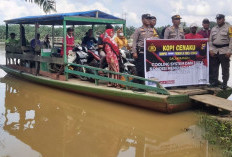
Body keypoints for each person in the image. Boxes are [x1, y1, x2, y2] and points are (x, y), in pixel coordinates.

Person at [209, 14, 232, 89]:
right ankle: (214, 82)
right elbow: (210, 41)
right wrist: (211, 50)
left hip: (224, 51)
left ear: (223, 19)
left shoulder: (229, 28)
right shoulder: (213, 28)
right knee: (214, 68)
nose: (218, 20)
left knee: (225, 69)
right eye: (217, 19)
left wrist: (229, 51)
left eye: (220, 19)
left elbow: (231, 40)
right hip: (215, 50)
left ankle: (224, 83)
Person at [132, 14, 154, 83]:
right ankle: (141, 86)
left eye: (149, 19)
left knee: (148, 69)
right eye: (147, 19)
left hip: (149, 52)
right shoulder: (138, 30)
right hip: (141, 52)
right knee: (140, 69)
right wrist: (134, 52)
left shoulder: (151, 30)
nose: (149, 20)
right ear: (142, 20)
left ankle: (147, 84)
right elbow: (134, 42)